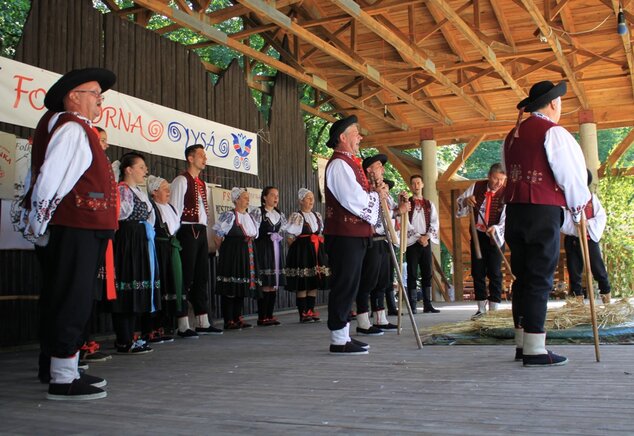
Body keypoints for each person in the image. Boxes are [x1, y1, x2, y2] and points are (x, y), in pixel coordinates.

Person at [14, 68, 118, 400]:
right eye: (95, 95)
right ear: (73, 95)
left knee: (62, 294)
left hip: (76, 225)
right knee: (72, 297)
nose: (100, 102)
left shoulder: (65, 126)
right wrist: (39, 223)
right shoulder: (72, 128)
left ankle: (56, 365)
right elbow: (49, 179)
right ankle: (63, 377)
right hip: (76, 225)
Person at [503, 80, 590, 366]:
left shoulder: (511, 136)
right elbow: (571, 176)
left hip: (515, 211)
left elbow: (509, 172)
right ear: (553, 103)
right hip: (542, 212)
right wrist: (579, 212)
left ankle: (522, 343)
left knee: (523, 278)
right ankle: (535, 348)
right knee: (540, 277)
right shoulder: (554, 133)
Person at [324, 115, 385, 354]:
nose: (360, 137)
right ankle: (338, 338)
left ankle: (344, 335)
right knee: (344, 283)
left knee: (351, 283)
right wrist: (373, 196)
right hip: (344, 234)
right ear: (342, 137)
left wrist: (374, 191)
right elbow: (352, 198)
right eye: (355, 133)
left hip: (355, 233)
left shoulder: (350, 163)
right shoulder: (339, 164)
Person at [170, 144, 222, 337]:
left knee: (201, 276)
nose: (204, 159)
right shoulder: (181, 181)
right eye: (201, 155)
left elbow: (204, 215)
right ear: (190, 158)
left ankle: (202, 321)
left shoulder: (202, 184)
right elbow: (174, 210)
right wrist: (174, 237)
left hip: (199, 231)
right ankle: (182, 323)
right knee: (185, 276)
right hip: (186, 230)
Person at [110, 152, 158, 355]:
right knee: (126, 286)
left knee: (137, 286)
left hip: (139, 241)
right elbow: (118, 218)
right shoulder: (121, 190)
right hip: (126, 242)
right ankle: (124, 339)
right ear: (128, 169)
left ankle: (131, 336)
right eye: (141, 167)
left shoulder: (138, 191)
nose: (145, 171)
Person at [356, 155, 407, 335]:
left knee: (383, 282)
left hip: (385, 240)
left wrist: (400, 207)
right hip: (371, 240)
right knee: (367, 281)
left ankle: (380, 318)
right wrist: (396, 212)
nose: (383, 170)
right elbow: (374, 216)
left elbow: (391, 212)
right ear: (369, 169)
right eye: (379, 166)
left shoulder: (383, 190)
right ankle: (363, 322)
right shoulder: (364, 190)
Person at [456, 163, 507, 319]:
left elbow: (508, 218)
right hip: (478, 235)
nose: (499, 183)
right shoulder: (477, 186)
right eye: (496, 179)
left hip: (496, 237)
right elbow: (460, 203)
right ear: (489, 176)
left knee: (495, 272)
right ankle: (481, 309)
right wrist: (466, 201)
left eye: (502, 180)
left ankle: (494, 309)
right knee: (477, 271)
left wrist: (496, 229)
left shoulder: (506, 193)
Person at [213, 187, 260, 330]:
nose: (248, 200)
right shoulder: (229, 215)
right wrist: (225, 253)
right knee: (231, 287)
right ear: (236, 200)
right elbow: (217, 236)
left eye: (247, 198)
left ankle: (237, 317)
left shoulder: (250, 216)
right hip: (232, 253)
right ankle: (229, 319)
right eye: (245, 198)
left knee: (241, 285)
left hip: (248, 253)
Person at [561, 170, 611, 303]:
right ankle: (577, 300)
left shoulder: (591, 198)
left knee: (598, 269)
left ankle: (606, 296)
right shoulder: (566, 198)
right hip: (573, 239)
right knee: (574, 271)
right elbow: (563, 220)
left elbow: (601, 217)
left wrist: (587, 223)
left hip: (589, 238)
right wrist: (575, 225)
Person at [144, 175, 184, 342]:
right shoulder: (151, 208)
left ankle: (163, 325)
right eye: (165, 189)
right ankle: (150, 328)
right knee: (157, 286)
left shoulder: (172, 208)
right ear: (154, 192)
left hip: (170, 249)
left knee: (169, 285)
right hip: (157, 249)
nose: (169, 191)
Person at [284, 188, 329, 323]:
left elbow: (320, 232)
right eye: (308, 198)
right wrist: (297, 250)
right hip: (302, 250)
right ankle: (303, 312)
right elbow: (290, 237)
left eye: (312, 198)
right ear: (300, 201)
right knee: (303, 281)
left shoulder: (317, 215)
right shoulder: (297, 216)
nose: (311, 201)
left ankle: (311, 309)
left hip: (315, 250)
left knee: (313, 281)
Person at [251, 186, 287, 326]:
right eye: (272, 195)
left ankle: (270, 315)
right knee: (265, 282)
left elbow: (284, 228)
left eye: (277, 195)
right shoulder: (258, 212)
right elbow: (253, 230)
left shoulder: (279, 214)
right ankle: (262, 316)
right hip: (263, 248)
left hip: (275, 248)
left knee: (273, 283)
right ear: (265, 197)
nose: (275, 198)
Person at [405, 174, 440, 314]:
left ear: (423, 184)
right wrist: (417, 236)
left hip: (425, 241)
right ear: (410, 186)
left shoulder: (429, 204)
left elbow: (435, 222)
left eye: (418, 182)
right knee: (412, 273)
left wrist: (427, 236)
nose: (416, 185)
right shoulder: (407, 203)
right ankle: (412, 305)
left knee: (427, 273)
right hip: (412, 242)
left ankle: (427, 304)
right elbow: (405, 223)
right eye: (413, 183)